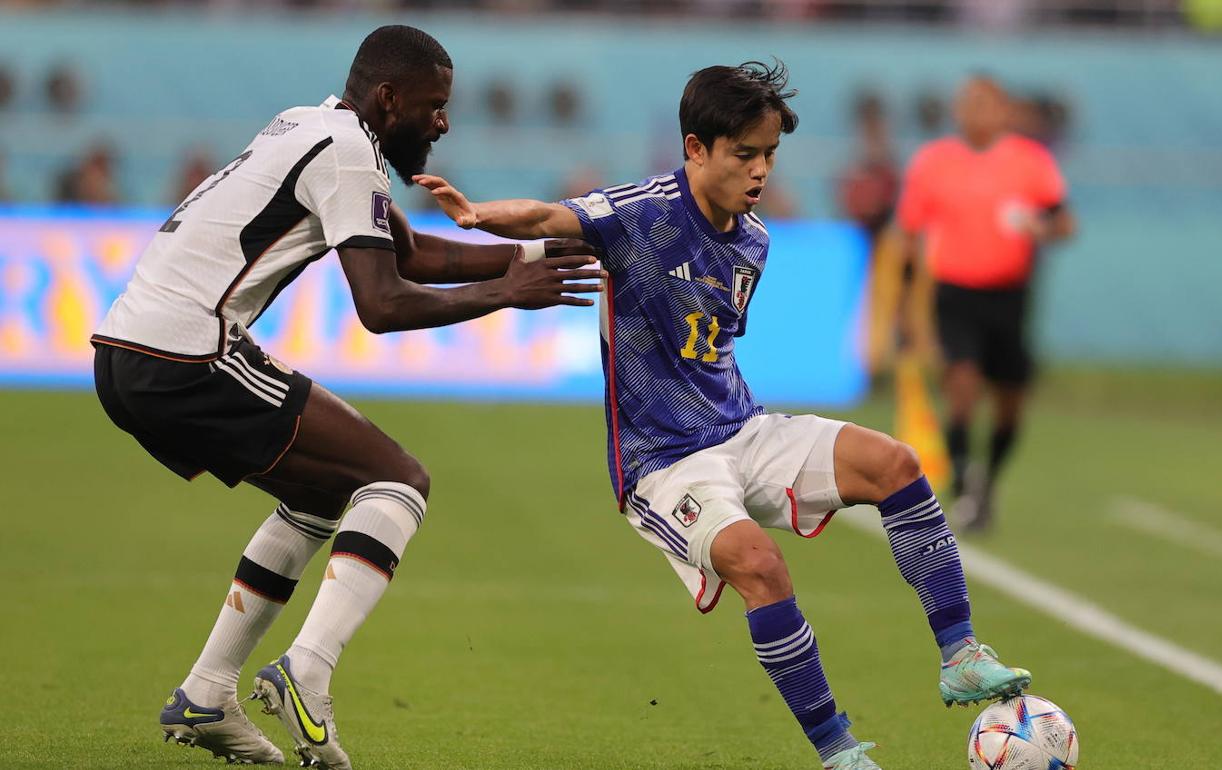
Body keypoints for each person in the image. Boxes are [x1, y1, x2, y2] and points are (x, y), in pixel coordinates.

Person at [416, 61, 1031, 770]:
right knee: (759, 564)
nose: (761, 168)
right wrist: (473, 216)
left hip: (743, 428)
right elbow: (551, 216)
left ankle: (960, 654)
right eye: (745, 153)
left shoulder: (754, 241)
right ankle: (839, 752)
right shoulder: (640, 212)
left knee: (895, 463)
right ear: (696, 148)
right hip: (663, 461)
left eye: (769, 153)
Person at [90, 25, 604, 769]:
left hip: (129, 353)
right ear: (388, 98)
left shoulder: (315, 125)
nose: (444, 123)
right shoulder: (346, 149)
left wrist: (537, 252)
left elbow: (413, 253)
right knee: (399, 480)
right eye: (434, 106)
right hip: (186, 353)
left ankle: (207, 691)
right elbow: (382, 302)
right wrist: (502, 293)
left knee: (324, 493)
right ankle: (308, 669)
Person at [897, 74, 1076, 531]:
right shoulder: (934, 162)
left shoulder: (1029, 162)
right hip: (956, 293)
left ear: (1002, 111)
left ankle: (987, 481)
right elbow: (910, 234)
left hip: (1009, 297)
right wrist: (904, 303)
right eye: (968, 103)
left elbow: (1064, 222)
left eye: (986, 103)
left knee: (1010, 400)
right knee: (961, 383)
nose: (976, 112)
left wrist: (1044, 230)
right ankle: (962, 478)